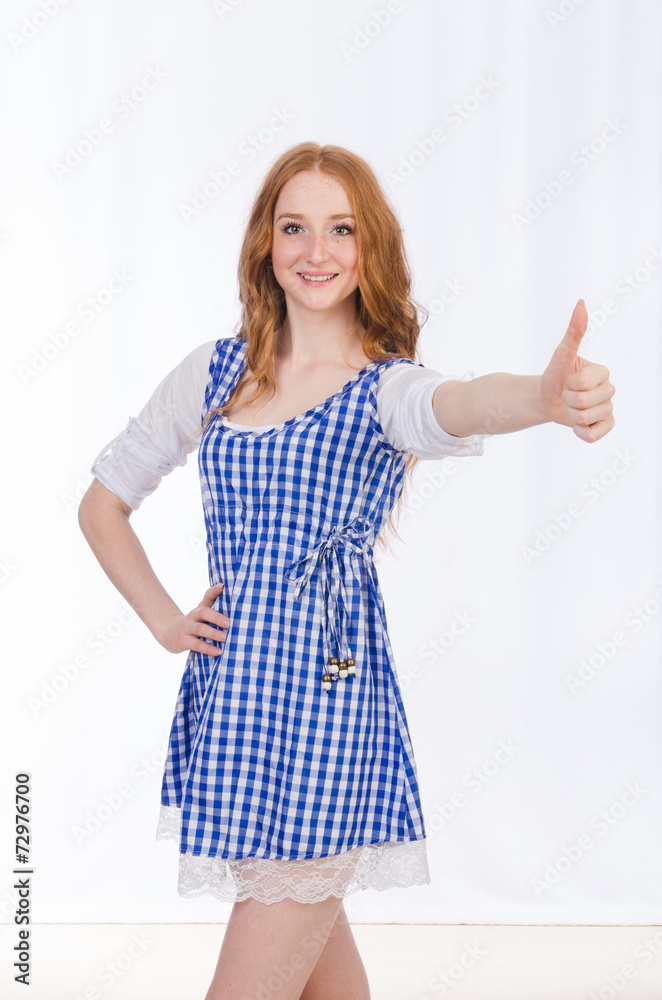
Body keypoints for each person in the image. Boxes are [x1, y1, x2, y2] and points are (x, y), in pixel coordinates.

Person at [78, 141, 615, 1000]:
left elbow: (458, 403)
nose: (316, 251)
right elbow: (102, 503)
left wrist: (542, 400)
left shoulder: (383, 389)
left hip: (329, 710)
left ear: (370, 250)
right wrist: (165, 620)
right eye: (295, 227)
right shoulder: (216, 374)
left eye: (341, 229)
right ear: (266, 243)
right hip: (236, 713)